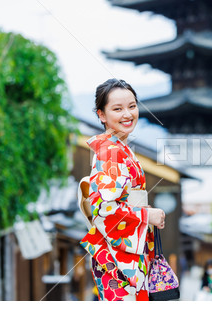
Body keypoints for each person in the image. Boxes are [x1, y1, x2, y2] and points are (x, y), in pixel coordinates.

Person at [79, 78, 166, 301]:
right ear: (101, 114)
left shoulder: (119, 148)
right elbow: (105, 209)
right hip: (118, 259)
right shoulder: (111, 152)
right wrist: (148, 215)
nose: (127, 114)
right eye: (117, 109)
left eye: (132, 106)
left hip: (126, 253)